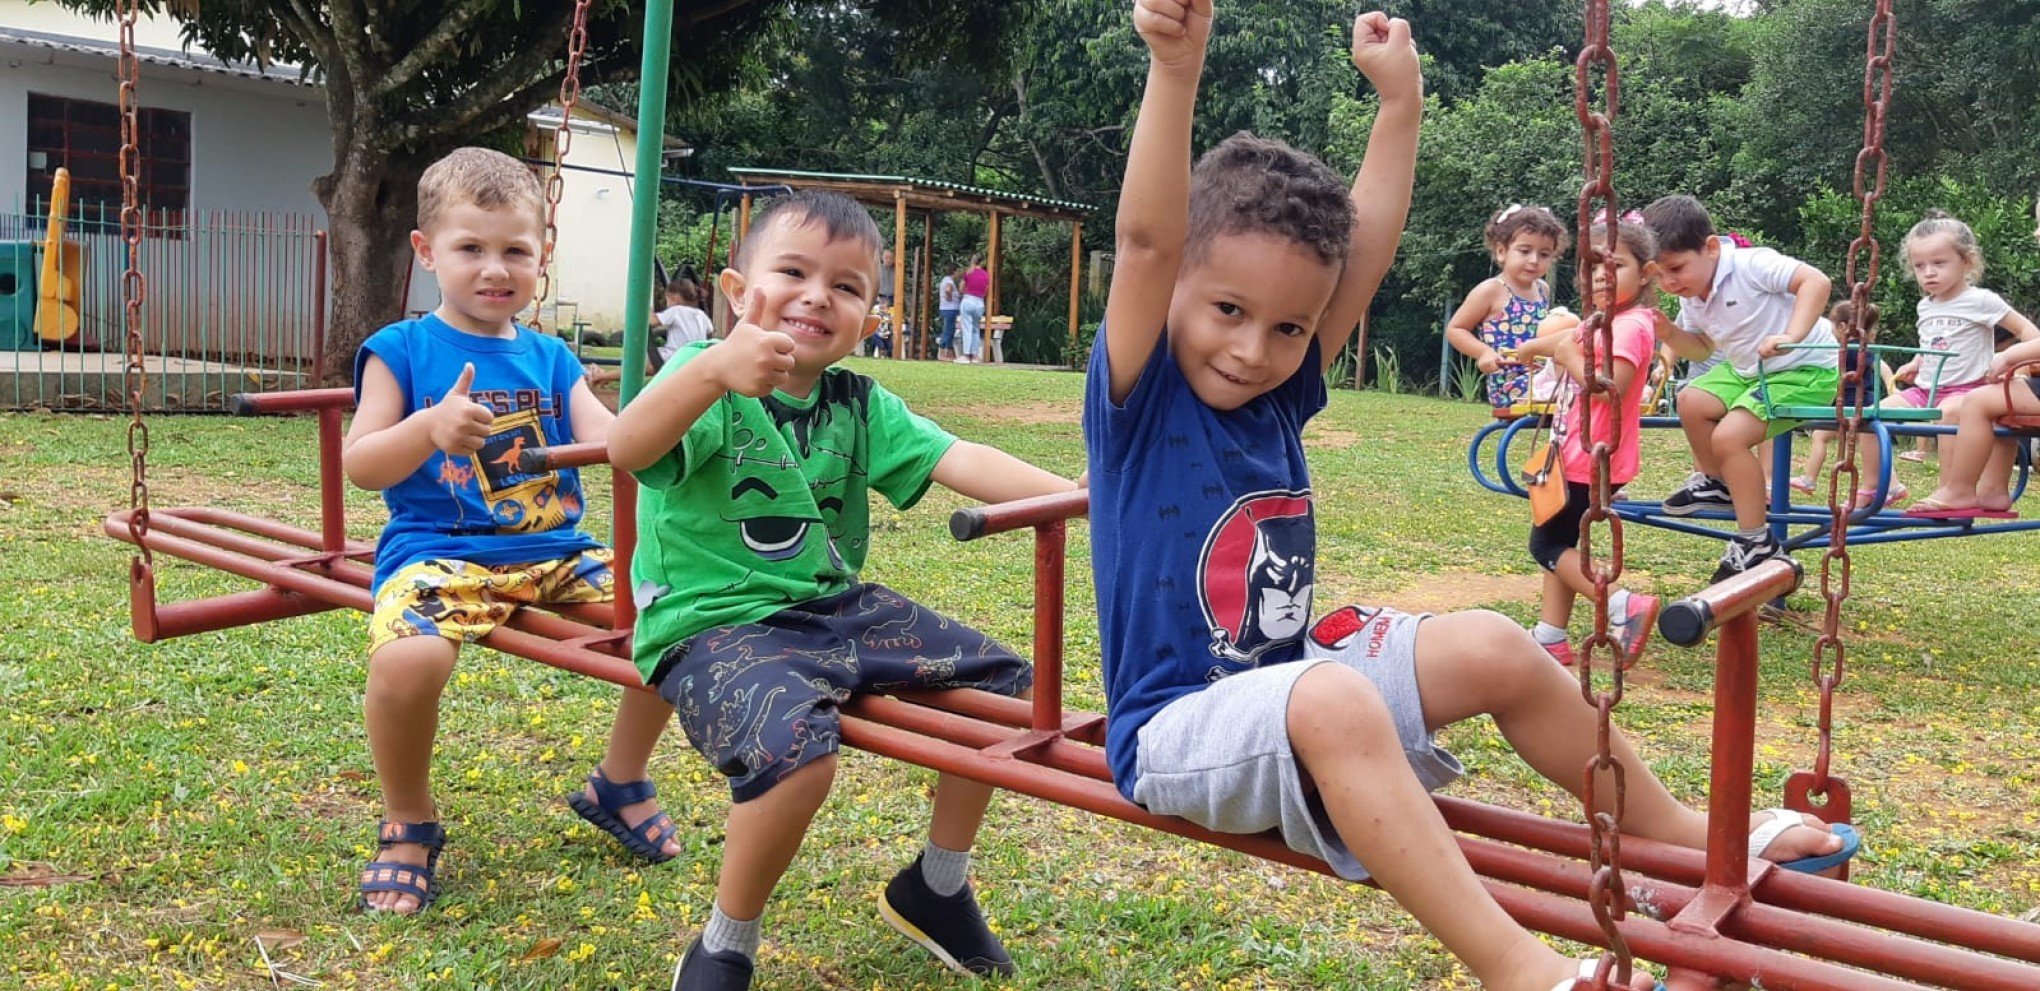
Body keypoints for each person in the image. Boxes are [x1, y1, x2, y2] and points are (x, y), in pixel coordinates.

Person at [1087, 7, 1857, 991]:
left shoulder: (1277, 396)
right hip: (1175, 727)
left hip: (1280, 679)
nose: (1251, 347)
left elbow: (1360, 256)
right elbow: (1149, 241)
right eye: (1227, 310)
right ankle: (1521, 972)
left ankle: (1685, 838)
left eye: (1287, 326)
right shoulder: (1141, 399)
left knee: (1499, 643)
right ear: (1177, 295)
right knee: (1328, 695)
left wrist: (1402, 103)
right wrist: (1176, 68)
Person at [606, 189, 1076, 991]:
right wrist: (715, 370)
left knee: (1003, 690)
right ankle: (725, 943)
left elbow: (958, 457)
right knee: (797, 754)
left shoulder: (858, 404)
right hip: (710, 620)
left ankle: (936, 884)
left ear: (870, 318)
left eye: (849, 286)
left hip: (829, 609)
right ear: (734, 289)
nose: (819, 294)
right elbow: (627, 445)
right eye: (793, 270)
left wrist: (1079, 494)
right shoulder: (701, 375)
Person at [342, 147, 679, 916]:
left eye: (515, 251)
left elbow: (613, 440)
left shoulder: (551, 356)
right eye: (471, 248)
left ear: (541, 258)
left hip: (557, 551)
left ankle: (619, 778)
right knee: (408, 663)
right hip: (442, 551)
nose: (495, 269)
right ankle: (409, 819)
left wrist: (667, 416)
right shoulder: (400, 351)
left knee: (680, 604)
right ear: (427, 253)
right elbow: (362, 462)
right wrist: (430, 426)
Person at [1643, 195, 1840, 582]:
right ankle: (1718, 484)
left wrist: (1792, 334)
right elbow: (1701, 349)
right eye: (1659, 275)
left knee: (1730, 437)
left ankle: (1756, 540)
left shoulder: (1752, 264)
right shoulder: (1693, 296)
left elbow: (1815, 281)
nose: (1669, 282)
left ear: (1712, 248)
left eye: (1677, 268)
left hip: (1807, 370)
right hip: (1752, 371)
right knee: (1691, 400)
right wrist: (1669, 333)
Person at [1508, 217, 1662, 668]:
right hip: (1578, 456)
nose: (1600, 275)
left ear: (1647, 274)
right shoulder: (1605, 321)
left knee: (1546, 546)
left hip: (1591, 459)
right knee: (1562, 543)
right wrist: (1527, 349)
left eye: (1615, 265)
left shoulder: (1631, 327)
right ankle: (1551, 635)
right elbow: (1562, 337)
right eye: (1593, 265)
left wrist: (1567, 356)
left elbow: (1609, 387)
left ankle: (1622, 604)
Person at [1848, 212, 2040, 510]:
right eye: (1919, 266)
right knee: (1870, 413)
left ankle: (1950, 491)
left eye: (1939, 263)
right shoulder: (1926, 305)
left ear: (1967, 261)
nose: (1928, 273)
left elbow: (2029, 332)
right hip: (1926, 388)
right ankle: (1880, 486)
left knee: (1949, 414)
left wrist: (2017, 360)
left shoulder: (1982, 300)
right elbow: (1934, 343)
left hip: (1967, 388)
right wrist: (1916, 361)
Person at [1445, 204, 1567, 414]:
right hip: (1511, 386)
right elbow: (1455, 329)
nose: (1534, 260)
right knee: (1574, 395)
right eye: (1525, 251)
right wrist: (1484, 352)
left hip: (1543, 378)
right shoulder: (1492, 290)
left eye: (1544, 254)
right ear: (1501, 251)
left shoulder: (1542, 289)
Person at [1786, 301, 1881, 498]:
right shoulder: (1866, 348)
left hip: (1849, 405)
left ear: (1843, 327)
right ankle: (1892, 484)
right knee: (1868, 442)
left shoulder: (1844, 350)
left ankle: (1809, 479)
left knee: (1819, 437)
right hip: (1862, 402)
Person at [653, 278, 715, 367]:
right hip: (696, 358)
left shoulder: (676, 310)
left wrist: (646, 306)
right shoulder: (701, 314)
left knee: (643, 358)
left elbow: (653, 321)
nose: (666, 304)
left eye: (667, 300)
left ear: (675, 299)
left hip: (675, 356)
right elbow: (710, 330)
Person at [957, 255, 989, 363]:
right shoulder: (986, 275)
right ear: (982, 262)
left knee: (967, 328)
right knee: (976, 329)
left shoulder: (968, 273)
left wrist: (964, 292)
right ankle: (975, 355)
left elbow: (961, 288)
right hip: (979, 302)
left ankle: (966, 355)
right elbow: (986, 290)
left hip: (968, 300)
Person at [937, 264, 962, 360]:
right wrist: (950, 298)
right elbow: (948, 290)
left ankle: (949, 353)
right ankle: (942, 352)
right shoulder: (949, 281)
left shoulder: (945, 280)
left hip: (946, 308)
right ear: (954, 271)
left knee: (950, 330)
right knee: (948, 330)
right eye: (958, 271)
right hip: (950, 308)